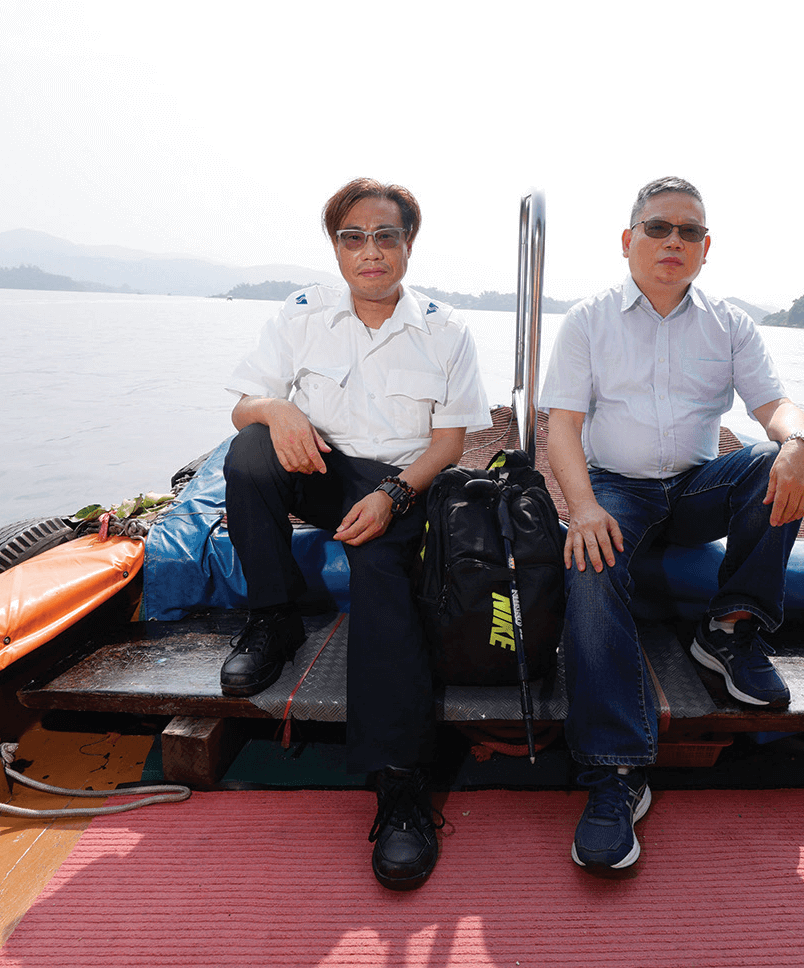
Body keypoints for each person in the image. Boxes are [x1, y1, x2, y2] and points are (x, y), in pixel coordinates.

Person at [541, 176, 804, 873]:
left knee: (771, 461)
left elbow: (773, 404)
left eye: (688, 231)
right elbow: (562, 429)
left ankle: (728, 631)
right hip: (617, 487)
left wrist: (801, 442)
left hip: (697, 488)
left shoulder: (729, 323)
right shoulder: (588, 320)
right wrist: (582, 509)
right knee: (589, 564)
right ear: (627, 240)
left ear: (704, 247)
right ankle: (614, 771)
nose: (672, 241)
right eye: (658, 227)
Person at [220, 177, 491, 890]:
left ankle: (401, 786)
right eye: (353, 237)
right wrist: (276, 411)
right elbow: (244, 404)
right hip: (319, 464)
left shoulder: (445, 329)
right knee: (247, 455)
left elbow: (449, 441)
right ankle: (273, 619)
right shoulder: (301, 313)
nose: (369, 252)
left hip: (399, 483)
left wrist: (394, 493)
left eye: (385, 236)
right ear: (335, 245)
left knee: (380, 582)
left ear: (408, 244)